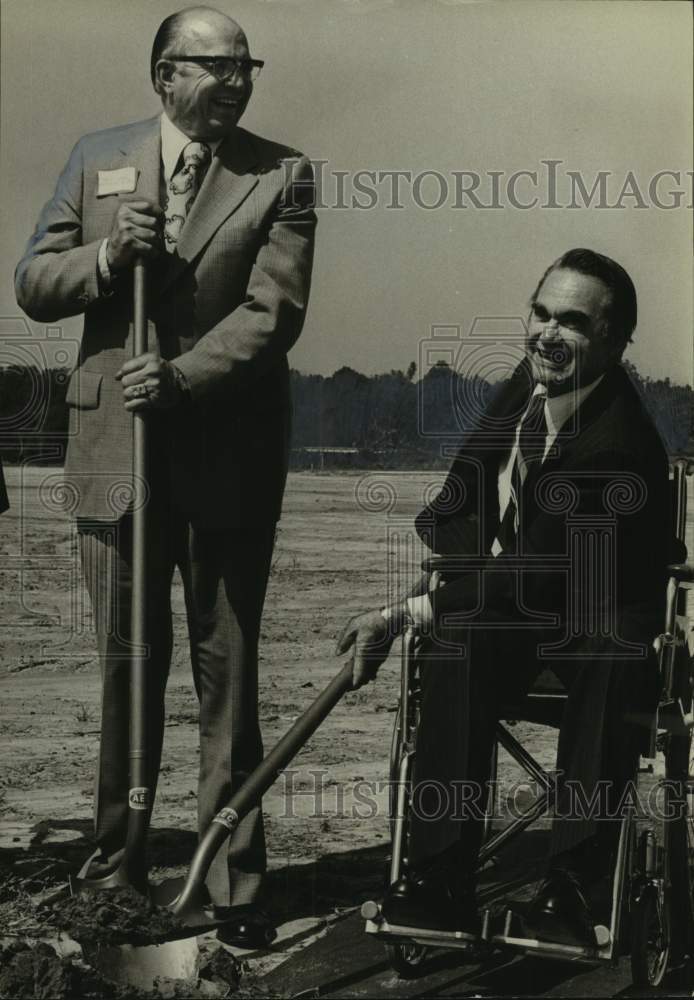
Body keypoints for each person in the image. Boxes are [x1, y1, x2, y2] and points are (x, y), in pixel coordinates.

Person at [16, 5, 316, 947]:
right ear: (163, 75)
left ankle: (233, 886)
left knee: (227, 678)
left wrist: (181, 378)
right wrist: (108, 257)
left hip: (226, 465)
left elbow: (274, 314)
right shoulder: (97, 156)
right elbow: (32, 280)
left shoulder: (285, 175)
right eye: (214, 66)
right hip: (114, 462)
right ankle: (119, 865)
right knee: (124, 669)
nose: (235, 81)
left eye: (245, 66)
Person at [337, 249, 671, 945]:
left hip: (605, 610)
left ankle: (573, 895)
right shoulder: (533, 375)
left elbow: (539, 571)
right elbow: (467, 482)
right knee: (460, 641)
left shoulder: (616, 444)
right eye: (541, 312)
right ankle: (437, 881)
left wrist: (408, 612)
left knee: (607, 656)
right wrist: (455, 574)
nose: (547, 333)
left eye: (572, 322)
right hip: (531, 596)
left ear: (613, 341)